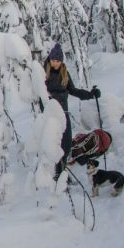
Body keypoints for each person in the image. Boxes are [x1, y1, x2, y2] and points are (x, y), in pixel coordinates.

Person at [43, 43, 100, 177]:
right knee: (54, 145)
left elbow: (73, 91)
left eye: (57, 61)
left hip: (64, 114)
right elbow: (41, 93)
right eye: (53, 60)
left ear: (61, 61)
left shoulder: (64, 73)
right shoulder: (45, 74)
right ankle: (53, 175)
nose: (54, 63)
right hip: (51, 115)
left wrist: (91, 94)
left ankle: (60, 173)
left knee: (67, 144)